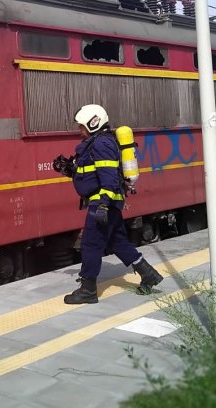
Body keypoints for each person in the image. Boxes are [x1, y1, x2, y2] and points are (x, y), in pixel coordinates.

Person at [54, 104, 163, 304]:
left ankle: (88, 290)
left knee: (89, 244)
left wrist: (103, 205)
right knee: (118, 242)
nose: (80, 130)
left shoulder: (101, 144)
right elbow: (92, 174)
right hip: (108, 202)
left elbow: (110, 178)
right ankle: (149, 274)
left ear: (93, 123)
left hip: (103, 202)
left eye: (82, 126)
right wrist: (70, 170)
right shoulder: (95, 143)